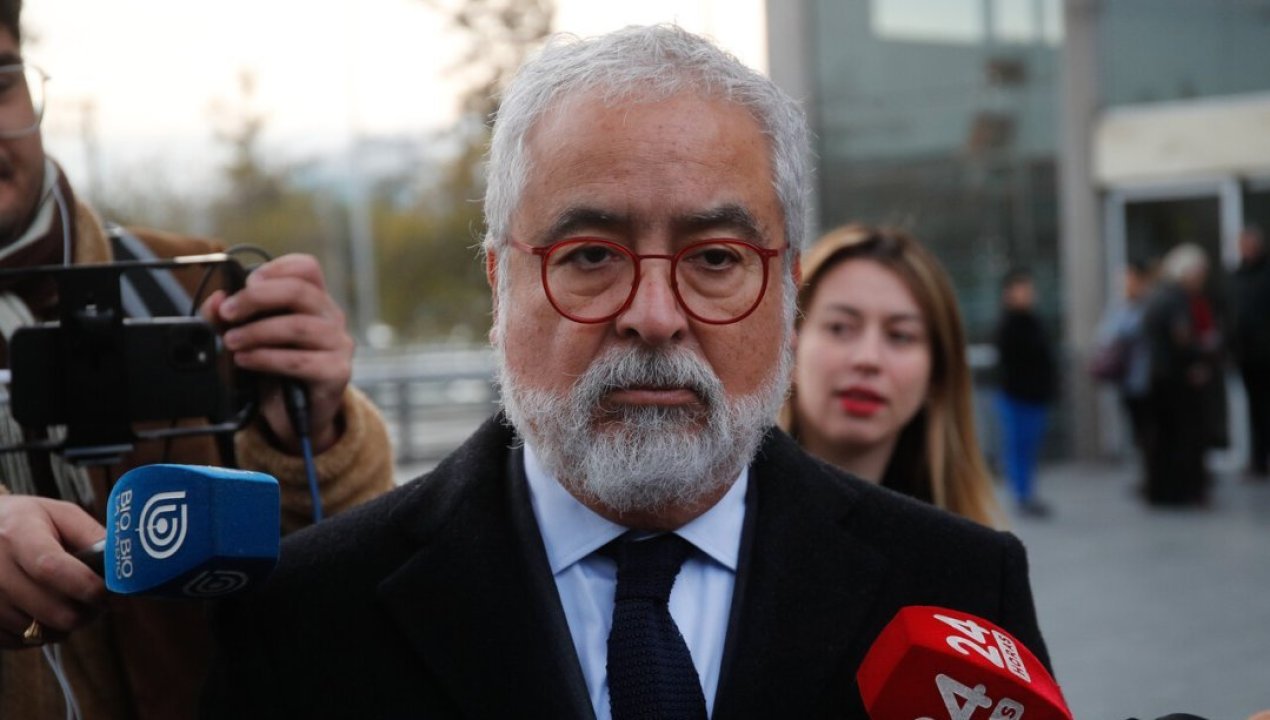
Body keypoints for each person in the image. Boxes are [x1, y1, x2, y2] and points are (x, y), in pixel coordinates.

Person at [203, 25, 1050, 719]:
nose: (653, 313)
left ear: (787, 291)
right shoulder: (306, 615)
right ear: (501, 281)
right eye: (591, 255)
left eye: (714, 258)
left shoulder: (962, 590)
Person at [0, 3, 394, 718]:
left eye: (0, 83)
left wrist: (313, 434)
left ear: (32, 87)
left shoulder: (190, 284)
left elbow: (352, 571)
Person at [779, 224, 1001, 527]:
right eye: (840, 328)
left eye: (900, 336)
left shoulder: (968, 551)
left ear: (936, 375)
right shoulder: (725, 528)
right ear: (790, 345)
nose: (868, 359)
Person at [1141, 243, 1215, 506]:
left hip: (1160, 376)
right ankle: (1182, 490)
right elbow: (1181, 338)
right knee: (1182, 436)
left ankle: (1163, 490)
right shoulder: (1175, 298)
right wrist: (1200, 356)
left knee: (1163, 437)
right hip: (1176, 379)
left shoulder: (1158, 295)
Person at [993, 268, 1058, 517]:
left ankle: (1027, 493)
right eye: (1022, 290)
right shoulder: (1009, 325)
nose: (1028, 294)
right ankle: (1021, 495)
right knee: (1017, 448)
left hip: (1035, 396)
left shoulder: (1033, 321)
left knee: (1029, 448)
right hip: (1017, 396)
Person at [1092, 259, 1155, 455]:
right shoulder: (1120, 306)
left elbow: (1132, 330)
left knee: (1151, 429)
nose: (1125, 284)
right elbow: (1105, 335)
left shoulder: (1148, 305)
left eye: (1128, 279)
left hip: (1150, 379)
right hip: (1128, 379)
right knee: (1139, 428)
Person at [1230, 226, 1270, 480]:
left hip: (1265, 353)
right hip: (1248, 355)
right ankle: (1258, 460)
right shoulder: (1237, 276)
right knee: (1256, 410)